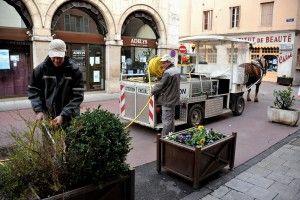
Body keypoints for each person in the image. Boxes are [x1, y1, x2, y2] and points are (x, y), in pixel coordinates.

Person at [28, 39, 84, 127]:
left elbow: (77, 96)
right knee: (49, 140)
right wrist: (38, 111)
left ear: (65, 53)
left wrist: (63, 115)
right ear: (49, 54)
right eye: (53, 57)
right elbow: (33, 91)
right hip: (48, 116)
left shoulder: (75, 71)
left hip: (70, 117)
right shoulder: (39, 70)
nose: (56, 60)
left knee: (69, 140)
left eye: (59, 57)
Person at [151, 54, 180, 136]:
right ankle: (171, 136)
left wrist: (152, 91)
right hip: (174, 99)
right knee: (171, 120)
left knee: (166, 121)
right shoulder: (176, 70)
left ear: (168, 62)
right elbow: (169, 83)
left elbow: (160, 85)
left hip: (168, 99)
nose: (162, 64)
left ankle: (164, 139)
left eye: (164, 63)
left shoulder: (167, 72)